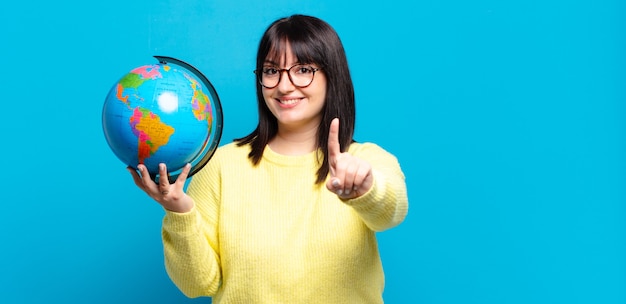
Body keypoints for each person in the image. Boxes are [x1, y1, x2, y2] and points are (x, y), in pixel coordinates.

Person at [128, 14, 409, 303]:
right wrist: (179, 212)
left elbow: (391, 212)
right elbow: (198, 284)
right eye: (272, 71)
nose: (284, 86)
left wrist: (365, 189)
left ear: (332, 75)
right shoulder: (221, 166)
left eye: (302, 69)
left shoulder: (366, 160)